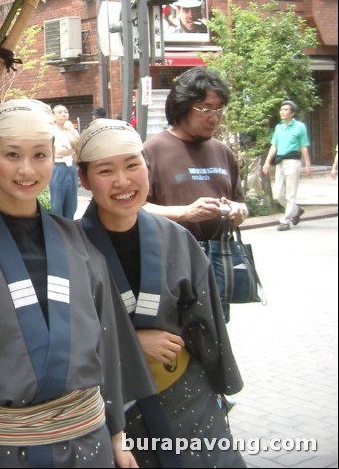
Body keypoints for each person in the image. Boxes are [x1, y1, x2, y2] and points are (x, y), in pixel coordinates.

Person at [0, 99, 155, 469]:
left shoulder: (76, 238)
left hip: (89, 442)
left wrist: (117, 434)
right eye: (12, 155)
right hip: (7, 450)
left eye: (40, 155)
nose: (26, 170)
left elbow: (106, 337)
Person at [76, 119, 245, 468]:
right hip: (108, 405)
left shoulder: (176, 238)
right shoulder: (69, 246)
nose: (123, 181)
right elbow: (63, 332)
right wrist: (131, 342)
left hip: (183, 392)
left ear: (146, 168)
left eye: (132, 165)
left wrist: (219, 383)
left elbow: (206, 320)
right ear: (84, 179)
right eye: (106, 170)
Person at [143, 68, 247, 321]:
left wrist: (238, 211)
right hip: (171, 262)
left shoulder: (223, 151)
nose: (215, 117)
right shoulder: (152, 150)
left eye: (219, 109)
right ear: (183, 106)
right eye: (206, 109)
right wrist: (187, 213)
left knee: (215, 340)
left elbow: (240, 201)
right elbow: (134, 208)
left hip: (217, 264)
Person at [262, 100, 311, 231]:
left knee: (290, 194)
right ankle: (296, 211)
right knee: (279, 195)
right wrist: (267, 162)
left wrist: (307, 164)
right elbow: (274, 146)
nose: (282, 112)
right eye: (281, 109)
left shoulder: (299, 126)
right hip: (280, 162)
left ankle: (285, 221)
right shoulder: (278, 127)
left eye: (285, 110)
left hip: (293, 162)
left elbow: (304, 146)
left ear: (292, 113)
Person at [49, 104, 79, 218]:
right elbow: (57, 151)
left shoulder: (72, 130)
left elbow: (78, 147)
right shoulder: (51, 131)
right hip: (57, 167)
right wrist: (71, 150)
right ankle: (57, 230)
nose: (63, 114)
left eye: (65, 112)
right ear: (53, 116)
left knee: (71, 204)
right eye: (60, 112)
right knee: (57, 203)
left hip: (71, 168)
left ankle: (69, 227)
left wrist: (71, 131)